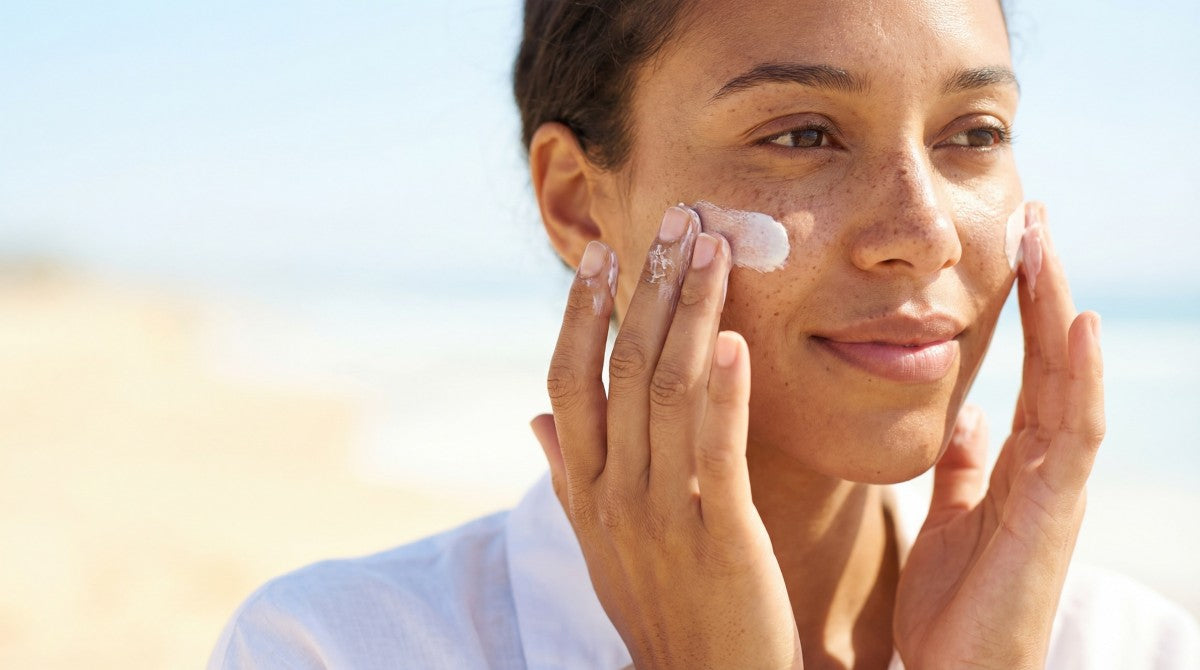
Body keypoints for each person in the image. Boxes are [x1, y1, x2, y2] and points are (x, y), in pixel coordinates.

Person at [209, 0, 1200, 668]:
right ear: (580, 203)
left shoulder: (1134, 647)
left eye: (974, 134)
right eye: (802, 135)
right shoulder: (343, 647)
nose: (925, 231)